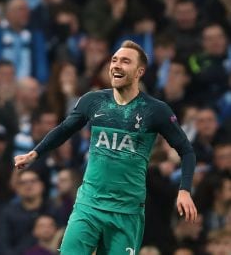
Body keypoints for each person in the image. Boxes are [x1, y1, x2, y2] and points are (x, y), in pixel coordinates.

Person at [14, 40, 198, 254]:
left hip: (126, 212)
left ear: (139, 71)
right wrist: (35, 153)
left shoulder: (155, 110)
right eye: (114, 60)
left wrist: (184, 189)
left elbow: (187, 151)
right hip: (88, 206)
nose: (116, 65)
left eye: (125, 61)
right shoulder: (93, 101)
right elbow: (64, 130)